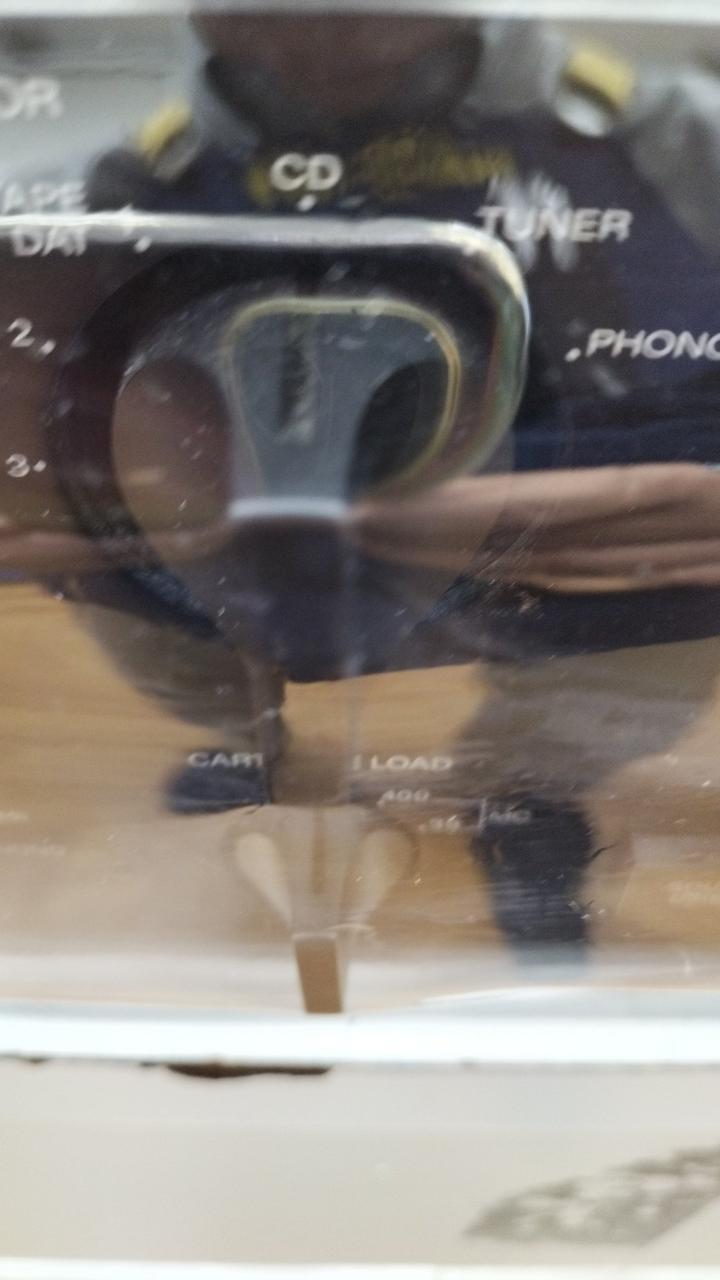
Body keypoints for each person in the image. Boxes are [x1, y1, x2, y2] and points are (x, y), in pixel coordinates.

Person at [52, 8, 720, 953]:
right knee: (137, 594)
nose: (324, 33)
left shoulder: (653, 133)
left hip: (563, 501)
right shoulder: (143, 175)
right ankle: (246, 739)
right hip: (248, 515)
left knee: (639, 636)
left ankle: (527, 790)